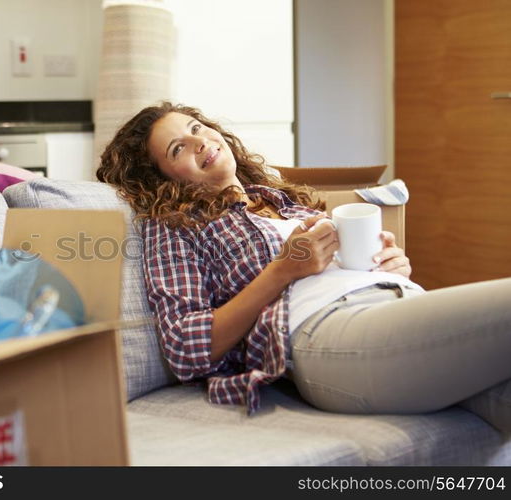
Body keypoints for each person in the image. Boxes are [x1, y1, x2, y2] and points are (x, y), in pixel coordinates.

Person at [96, 101, 511, 432]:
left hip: (387, 305)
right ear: (162, 179)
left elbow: (338, 268)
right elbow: (186, 350)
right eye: (177, 149)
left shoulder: (283, 202)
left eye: (195, 128)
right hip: (321, 334)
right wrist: (282, 270)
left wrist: (389, 267)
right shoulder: (175, 227)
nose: (198, 141)